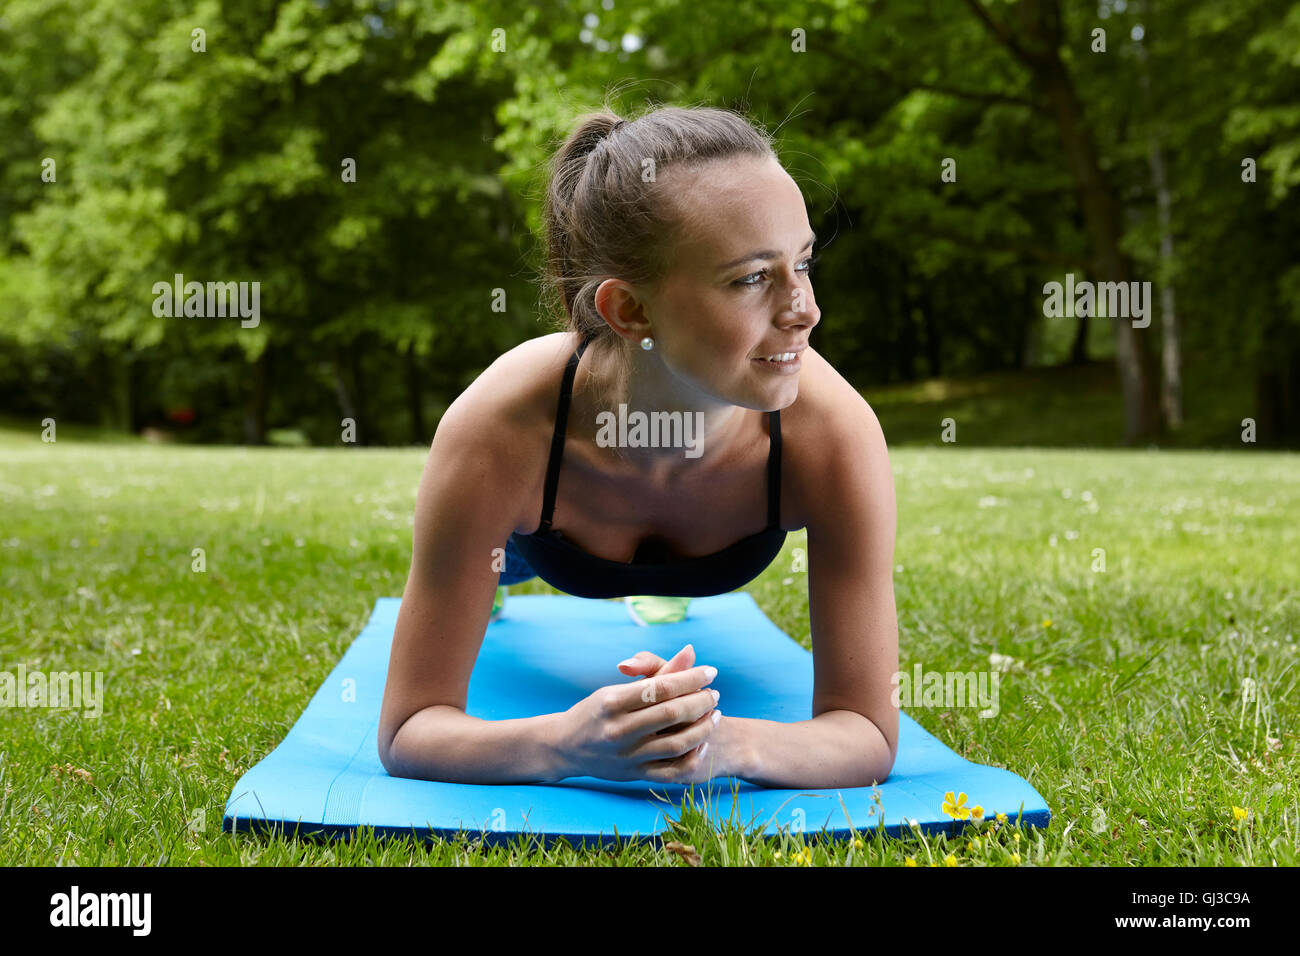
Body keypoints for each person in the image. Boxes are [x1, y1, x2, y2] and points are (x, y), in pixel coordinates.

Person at [378, 103, 899, 790]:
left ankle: (655, 595)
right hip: (536, 541)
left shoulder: (832, 433)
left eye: (801, 263)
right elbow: (410, 727)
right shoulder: (503, 427)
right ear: (629, 310)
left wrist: (725, 744)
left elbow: (866, 731)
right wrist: (562, 744)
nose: (804, 309)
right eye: (751, 278)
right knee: (495, 568)